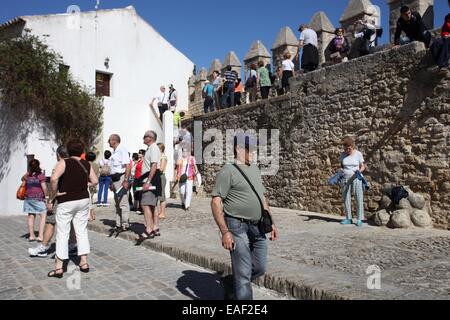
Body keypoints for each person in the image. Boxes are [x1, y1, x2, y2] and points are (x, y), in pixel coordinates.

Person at [211, 132, 278, 300]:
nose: (254, 153)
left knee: (260, 267)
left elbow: (262, 198)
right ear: (239, 148)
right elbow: (216, 202)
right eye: (251, 149)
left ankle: (230, 282)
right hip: (236, 226)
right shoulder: (228, 171)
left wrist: (272, 223)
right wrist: (225, 232)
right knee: (243, 274)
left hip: (258, 226)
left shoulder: (254, 169)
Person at [47, 139, 98, 278]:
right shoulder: (86, 163)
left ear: (68, 151)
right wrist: (81, 183)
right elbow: (95, 181)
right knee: (81, 230)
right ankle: (84, 262)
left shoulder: (64, 162)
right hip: (83, 200)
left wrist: (53, 195)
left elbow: (53, 179)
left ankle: (59, 267)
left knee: (63, 232)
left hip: (66, 200)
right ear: (82, 151)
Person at [28, 146, 78, 258]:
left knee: (50, 222)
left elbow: (54, 181)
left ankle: (44, 247)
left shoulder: (60, 165)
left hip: (60, 198)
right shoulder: (75, 164)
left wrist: (50, 200)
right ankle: (73, 245)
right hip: (74, 198)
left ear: (58, 155)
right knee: (72, 222)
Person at [137, 130, 162, 241]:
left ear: (150, 138)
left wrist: (148, 182)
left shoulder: (153, 148)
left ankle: (149, 229)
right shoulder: (151, 148)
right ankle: (155, 227)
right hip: (150, 179)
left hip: (150, 180)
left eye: (145, 136)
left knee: (145, 204)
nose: (143, 138)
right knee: (152, 205)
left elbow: (154, 165)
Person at [339, 136, 367, 227]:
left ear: (353, 146)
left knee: (358, 197)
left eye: (349, 148)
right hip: (345, 178)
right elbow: (342, 166)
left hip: (356, 177)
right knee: (346, 197)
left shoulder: (358, 154)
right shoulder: (342, 155)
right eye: (346, 149)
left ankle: (359, 219)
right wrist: (341, 170)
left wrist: (360, 171)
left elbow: (362, 166)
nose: (347, 150)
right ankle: (348, 218)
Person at [108, 134, 131, 232]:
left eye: (109, 140)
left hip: (121, 178)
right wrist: (110, 182)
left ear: (114, 140)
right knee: (117, 203)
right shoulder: (114, 152)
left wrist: (126, 179)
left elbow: (128, 165)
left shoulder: (122, 150)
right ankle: (118, 224)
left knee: (123, 202)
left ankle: (125, 224)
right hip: (114, 179)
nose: (108, 142)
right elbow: (112, 168)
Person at [22, 159, 48, 242]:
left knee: (31, 216)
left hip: (28, 198)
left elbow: (22, 179)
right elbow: (44, 187)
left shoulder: (28, 175)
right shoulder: (40, 175)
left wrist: (28, 172)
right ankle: (40, 236)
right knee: (43, 216)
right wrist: (47, 197)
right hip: (39, 198)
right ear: (38, 165)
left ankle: (32, 236)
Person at [86, 152, 98, 222]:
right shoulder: (96, 165)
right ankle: (92, 214)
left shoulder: (86, 164)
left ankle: (90, 215)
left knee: (89, 201)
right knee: (91, 199)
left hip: (87, 184)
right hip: (94, 184)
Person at [157, 143, 168, 219]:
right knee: (158, 195)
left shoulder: (163, 157)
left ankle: (162, 213)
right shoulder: (158, 157)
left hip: (161, 176)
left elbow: (161, 169)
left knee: (162, 195)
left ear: (160, 149)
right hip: (157, 177)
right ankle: (160, 212)